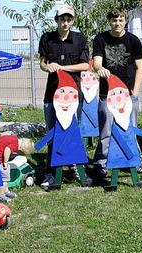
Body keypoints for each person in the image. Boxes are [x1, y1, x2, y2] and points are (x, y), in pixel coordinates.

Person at [92, 8, 142, 178]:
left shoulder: (133, 40)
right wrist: (100, 68)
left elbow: (140, 68)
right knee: (105, 131)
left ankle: (135, 161)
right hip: (106, 95)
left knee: (131, 129)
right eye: (114, 20)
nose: (117, 23)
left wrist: (136, 91)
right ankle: (101, 164)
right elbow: (96, 63)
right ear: (110, 20)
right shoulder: (100, 39)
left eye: (121, 20)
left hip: (129, 95)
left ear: (126, 21)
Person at [38, 4, 90, 187]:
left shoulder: (80, 39)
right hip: (51, 94)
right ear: (57, 20)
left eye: (69, 19)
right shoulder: (46, 38)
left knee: (72, 132)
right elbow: (42, 63)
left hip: (73, 96)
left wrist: (62, 68)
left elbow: (85, 66)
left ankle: (76, 168)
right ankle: (50, 172)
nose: (65, 22)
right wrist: (48, 67)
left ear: (72, 21)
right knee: (53, 133)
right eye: (62, 19)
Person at [0, 135, 35, 202]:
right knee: (4, 179)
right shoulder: (15, 145)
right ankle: (1, 195)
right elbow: (7, 149)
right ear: (21, 150)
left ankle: (6, 191)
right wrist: (5, 162)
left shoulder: (14, 138)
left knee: (6, 176)